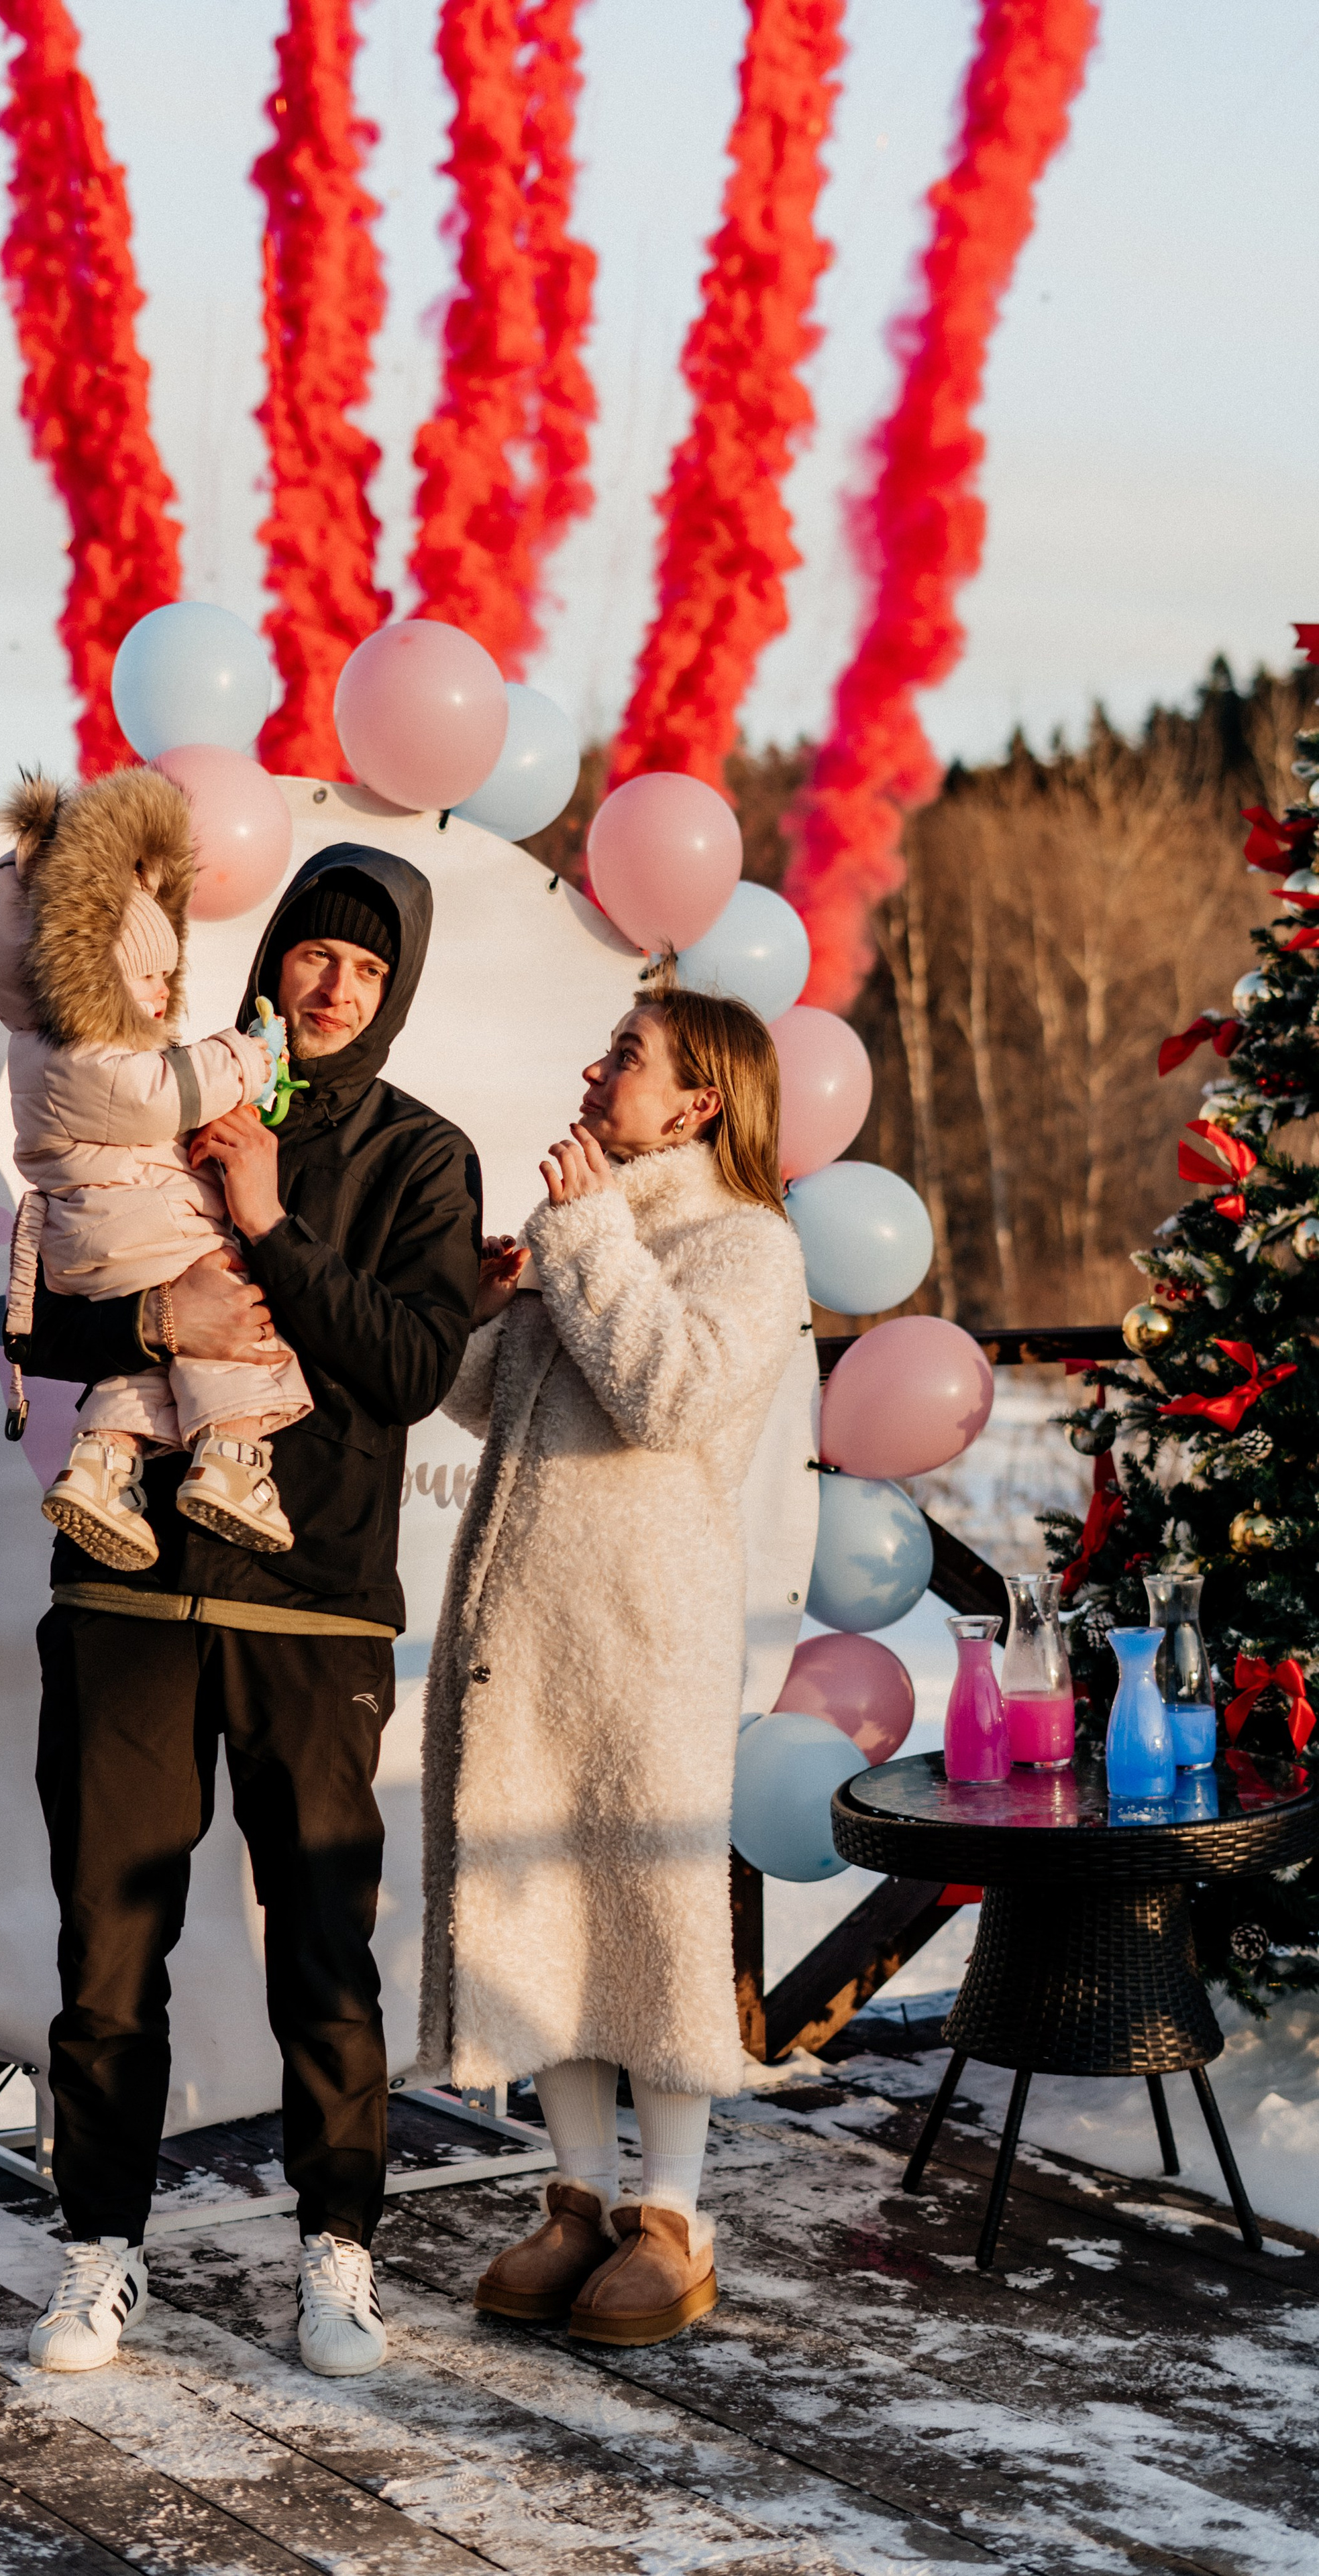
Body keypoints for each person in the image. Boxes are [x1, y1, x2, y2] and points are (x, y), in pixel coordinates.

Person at [3, 840, 481, 2380]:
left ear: (395, 991)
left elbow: (411, 1368)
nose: (335, 983)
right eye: (314, 951)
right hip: (127, 1585)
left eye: (369, 965)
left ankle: (336, 2251)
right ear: (270, 954)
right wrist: (163, 1312)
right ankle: (96, 2251)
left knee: (324, 1954)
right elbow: (51, 1308)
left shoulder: (423, 1157)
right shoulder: (160, 1093)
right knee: (107, 1944)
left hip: (315, 1610)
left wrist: (271, 1225)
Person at [419, 979, 811, 2351]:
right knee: (548, 1920)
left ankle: (675, 2217)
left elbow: (666, 1392)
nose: (594, 1071)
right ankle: (577, 2200)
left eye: (625, 1057)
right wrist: (477, 1308)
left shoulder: (744, 1244)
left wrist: (582, 1237)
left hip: (644, 1638)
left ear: (696, 1100)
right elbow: (490, 1404)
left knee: (644, 1918)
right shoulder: (590, 1230)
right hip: (525, 1627)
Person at [0, 768, 311, 1566]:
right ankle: (232, 1461)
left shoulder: (51, 1050)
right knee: (236, 1328)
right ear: (88, 981)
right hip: (139, 1228)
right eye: (143, 977)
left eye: (166, 974)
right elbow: (167, 1094)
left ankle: (100, 1464)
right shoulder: (85, 1054)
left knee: (153, 1364)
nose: (161, 994)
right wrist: (247, 1059)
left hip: (104, 1244)